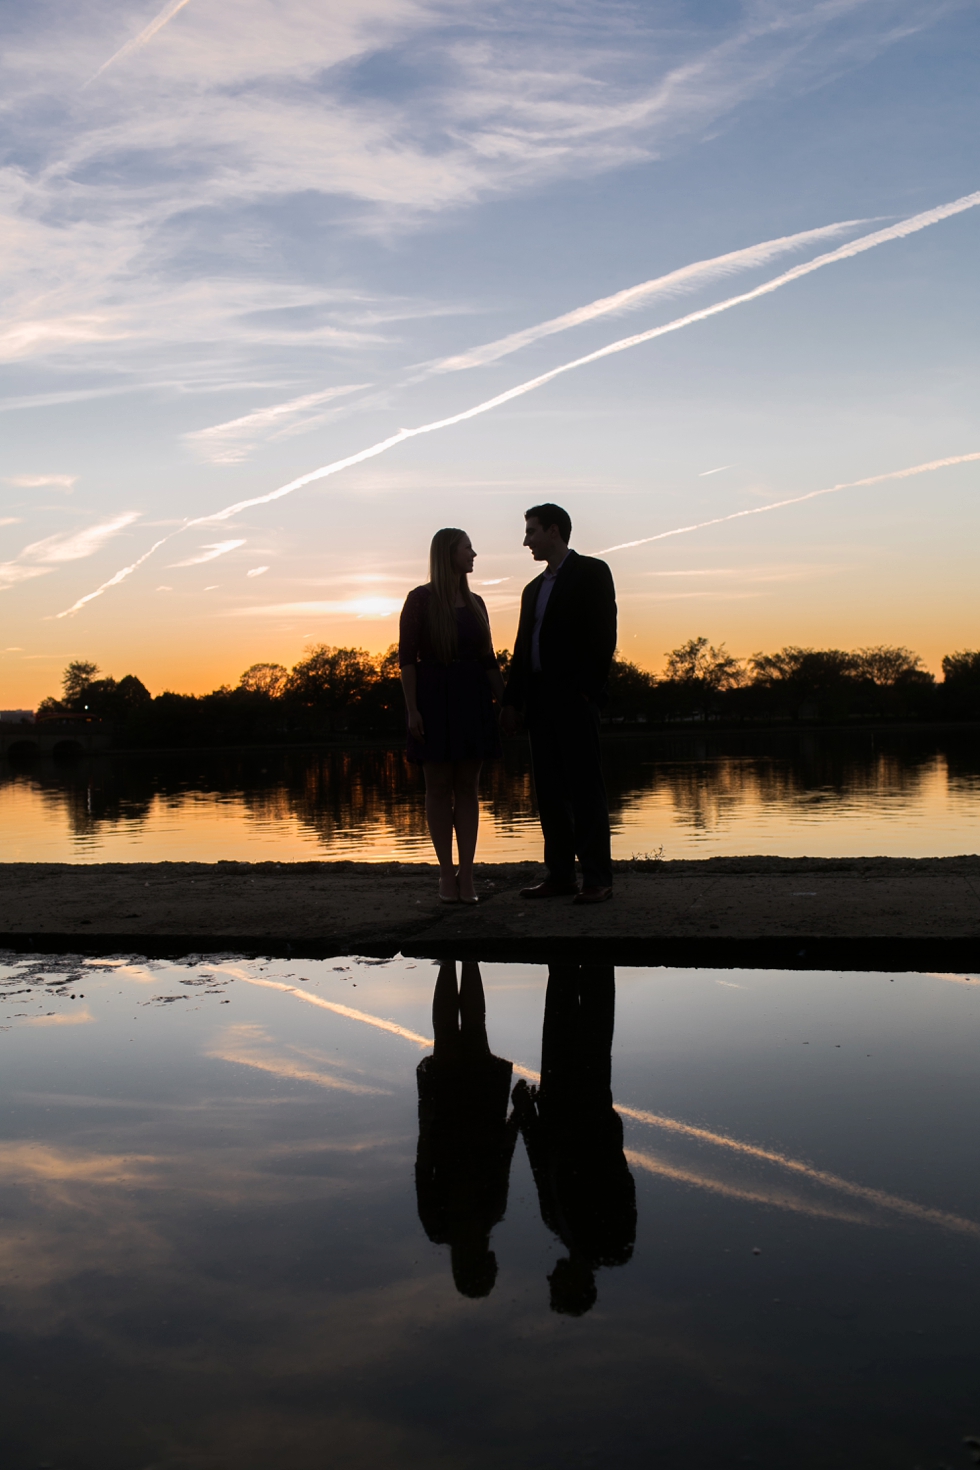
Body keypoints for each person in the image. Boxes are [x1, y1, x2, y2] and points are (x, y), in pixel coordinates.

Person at [500, 503, 617, 904]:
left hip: (575, 699)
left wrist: (588, 690)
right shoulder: (532, 589)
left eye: (532, 531)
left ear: (554, 531)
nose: (526, 540)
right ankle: (561, 875)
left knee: (586, 790)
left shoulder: (591, 572)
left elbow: (604, 635)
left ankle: (598, 878)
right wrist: (511, 702)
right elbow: (521, 649)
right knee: (549, 793)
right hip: (539, 702)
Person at [511, 961, 636, 1315]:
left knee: (565, 1012)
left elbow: (542, 1166)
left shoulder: (559, 1227)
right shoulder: (610, 1243)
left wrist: (526, 1113)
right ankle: (595, 956)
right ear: (580, 1286)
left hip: (559, 1105)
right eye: (557, 1288)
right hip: (588, 1112)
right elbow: (617, 1181)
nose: (550, 1278)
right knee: (592, 1021)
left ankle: (567, 957)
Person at [399, 528, 505, 904]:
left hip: (472, 698)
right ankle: (446, 874)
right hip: (433, 699)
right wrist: (412, 709)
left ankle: (468, 875)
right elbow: (407, 661)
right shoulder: (420, 600)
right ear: (449, 554)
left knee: (468, 789)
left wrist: (506, 701)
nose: (474, 554)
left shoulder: (476, 602)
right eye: (467, 548)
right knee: (439, 788)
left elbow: (488, 659)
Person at [415, 959, 518, 1298]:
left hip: (463, 1122)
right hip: (466, 1121)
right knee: (459, 1032)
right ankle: (458, 958)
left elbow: (424, 1169)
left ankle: (460, 958)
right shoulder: (458, 1221)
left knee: (462, 1032)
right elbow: (502, 1156)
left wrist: (428, 1125)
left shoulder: (452, 1223)